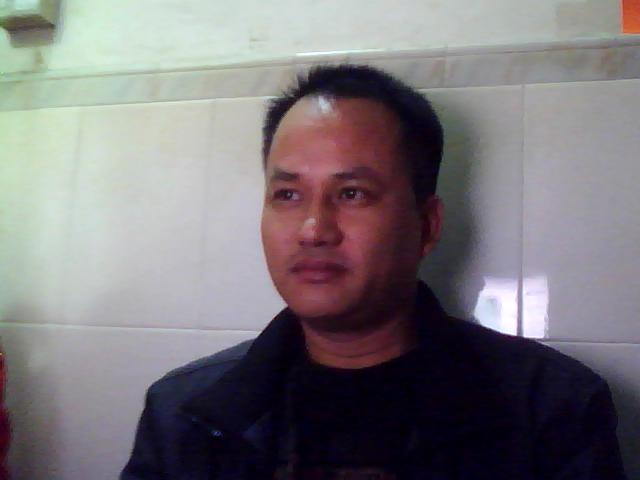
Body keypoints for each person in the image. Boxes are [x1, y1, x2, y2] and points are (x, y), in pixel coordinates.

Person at [121, 65, 626, 479]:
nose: (313, 229)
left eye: (352, 193)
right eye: (288, 195)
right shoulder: (186, 414)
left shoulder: (551, 410)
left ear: (426, 225)